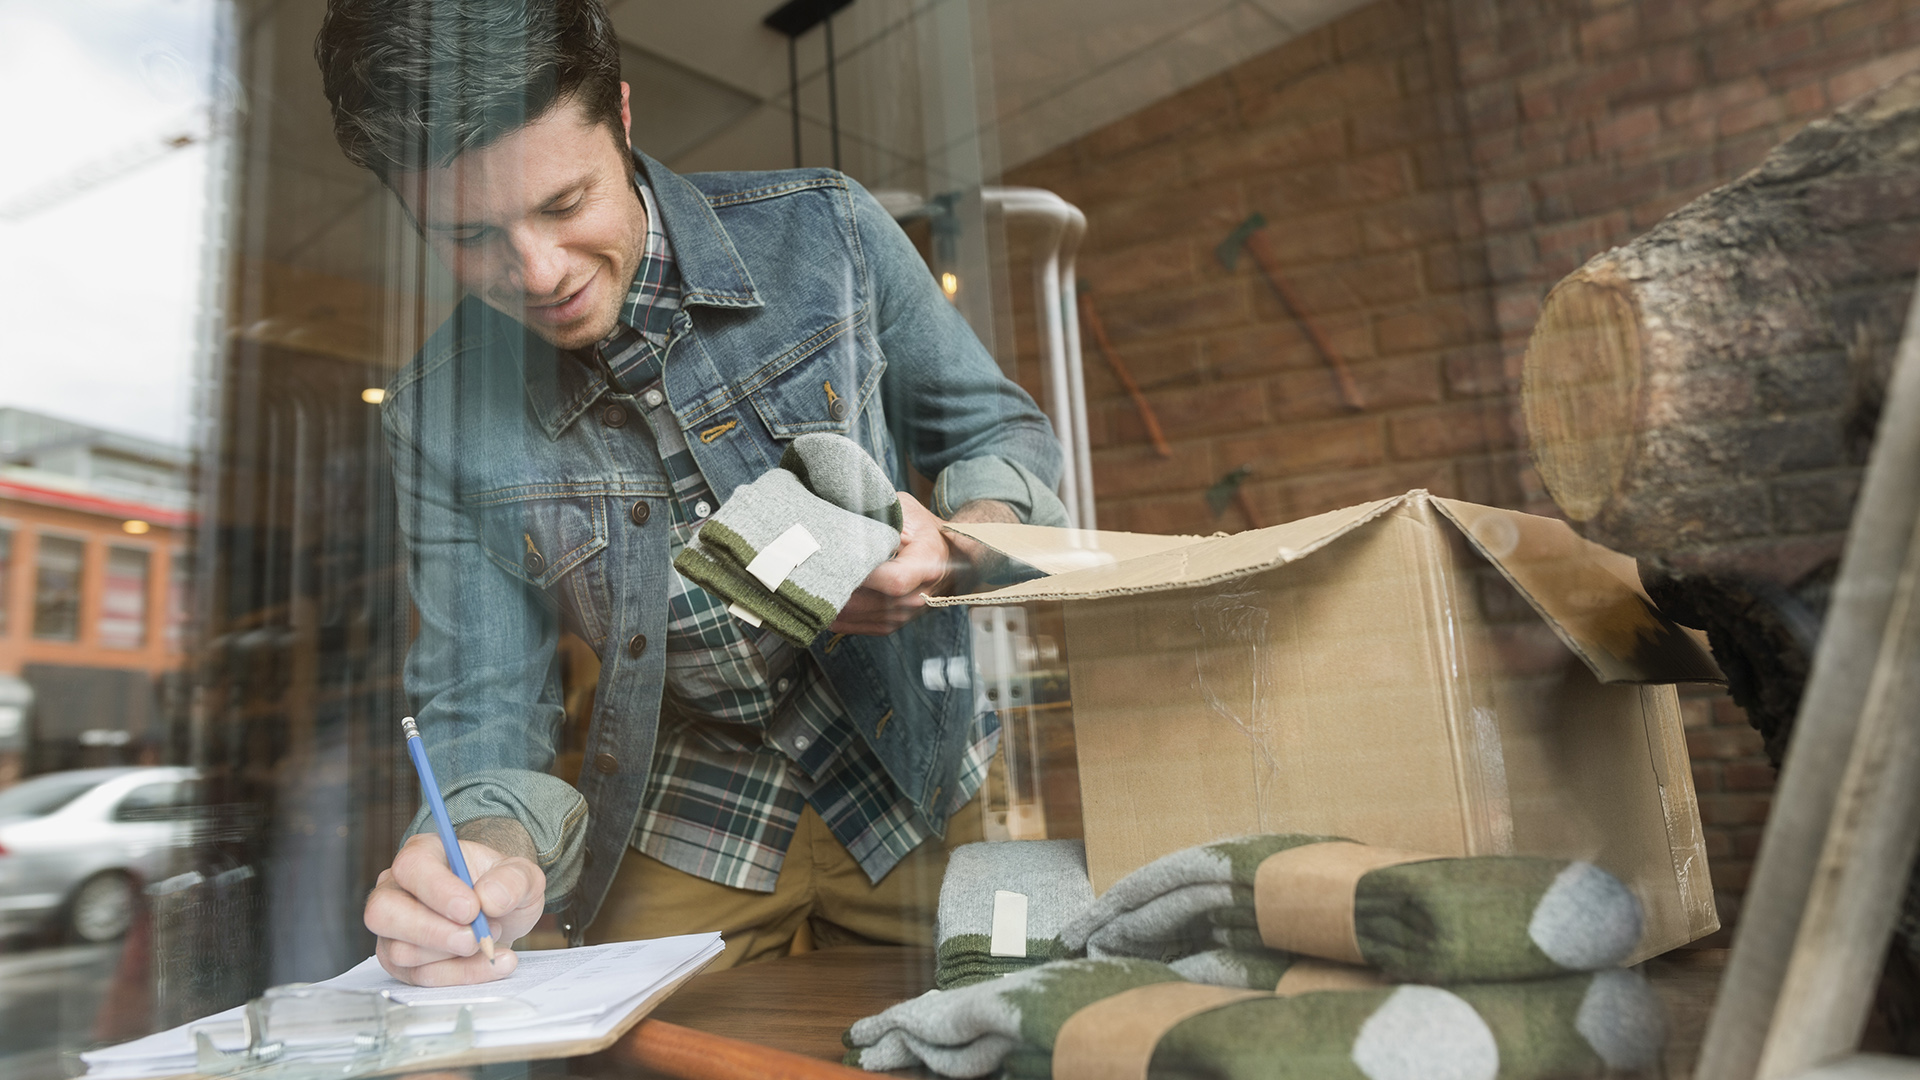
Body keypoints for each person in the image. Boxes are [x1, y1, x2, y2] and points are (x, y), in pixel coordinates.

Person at [315, 0, 1068, 986]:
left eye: (564, 203)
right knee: (616, 1051)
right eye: (468, 236)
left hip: (932, 777)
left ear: (622, 116)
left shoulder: (828, 228)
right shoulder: (435, 415)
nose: (539, 273)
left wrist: (960, 546)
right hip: (693, 816)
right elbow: (485, 703)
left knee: (1025, 1019)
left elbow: (998, 434)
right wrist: (484, 849)